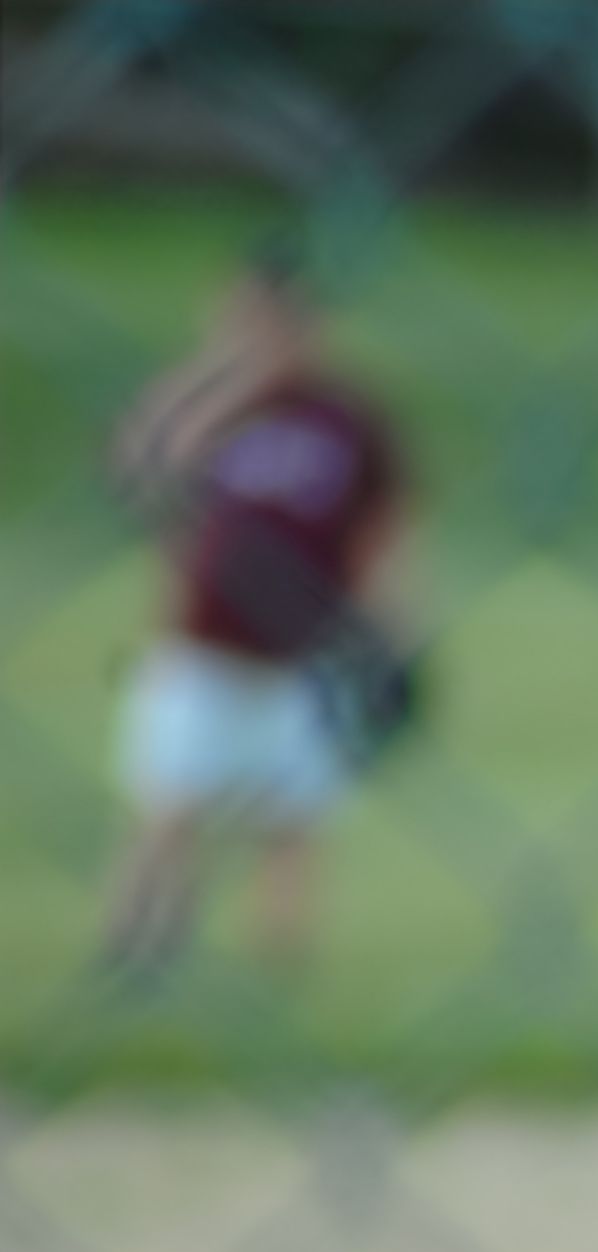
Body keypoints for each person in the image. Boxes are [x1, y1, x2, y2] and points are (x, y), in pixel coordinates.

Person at [99, 242, 411, 979]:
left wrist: (392, 633)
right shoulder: (211, 409)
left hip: (303, 657)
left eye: (280, 323)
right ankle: (134, 958)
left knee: (292, 825)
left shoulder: (347, 421)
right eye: (248, 322)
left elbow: (386, 528)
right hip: (202, 649)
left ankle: (279, 974)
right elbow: (138, 466)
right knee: (169, 811)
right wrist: (223, 380)